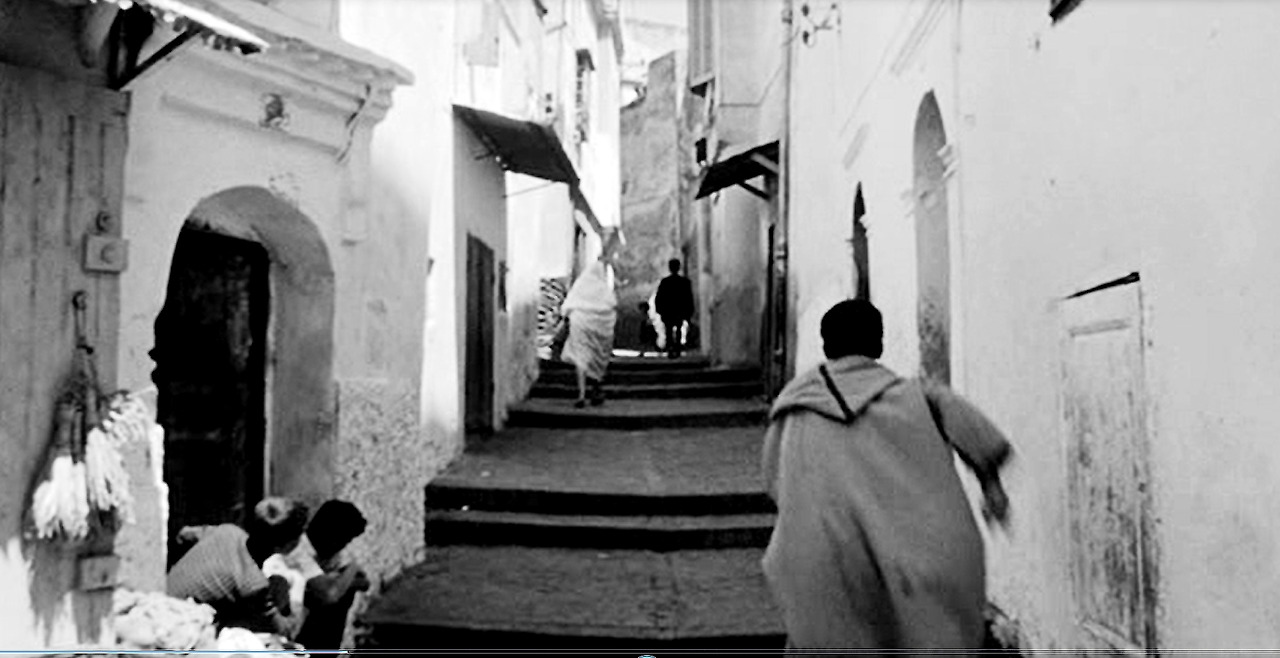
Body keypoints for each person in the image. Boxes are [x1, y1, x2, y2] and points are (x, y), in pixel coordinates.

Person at [761, 299, 1012, 651]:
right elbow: (983, 440)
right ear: (878, 343)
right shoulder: (921, 397)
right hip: (916, 570)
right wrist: (992, 489)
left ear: (826, 345)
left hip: (826, 567)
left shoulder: (793, 410)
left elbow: (775, 481)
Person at [167, 497, 310, 635]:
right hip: (176, 632)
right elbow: (287, 631)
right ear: (284, 546)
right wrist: (298, 586)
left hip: (161, 601)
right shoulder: (254, 584)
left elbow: (183, 535)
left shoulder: (228, 531)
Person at [295, 500, 371, 649]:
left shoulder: (329, 553)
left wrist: (343, 580)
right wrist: (353, 568)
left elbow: (364, 583)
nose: (342, 546)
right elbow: (329, 594)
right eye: (343, 540)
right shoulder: (299, 551)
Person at [560, 253, 618, 408]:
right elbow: (612, 307)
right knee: (596, 360)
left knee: (581, 360)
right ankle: (596, 388)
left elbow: (567, 307)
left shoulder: (580, 286)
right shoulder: (604, 290)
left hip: (580, 327)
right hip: (598, 332)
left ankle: (581, 394)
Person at [654, 258, 694, 358]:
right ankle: (677, 348)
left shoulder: (665, 282)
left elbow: (659, 297)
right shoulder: (684, 282)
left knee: (668, 330)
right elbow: (688, 297)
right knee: (679, 329)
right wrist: (689, 311)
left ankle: (670, 348)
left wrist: (659, 309)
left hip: (668, 310)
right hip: (679, 310)